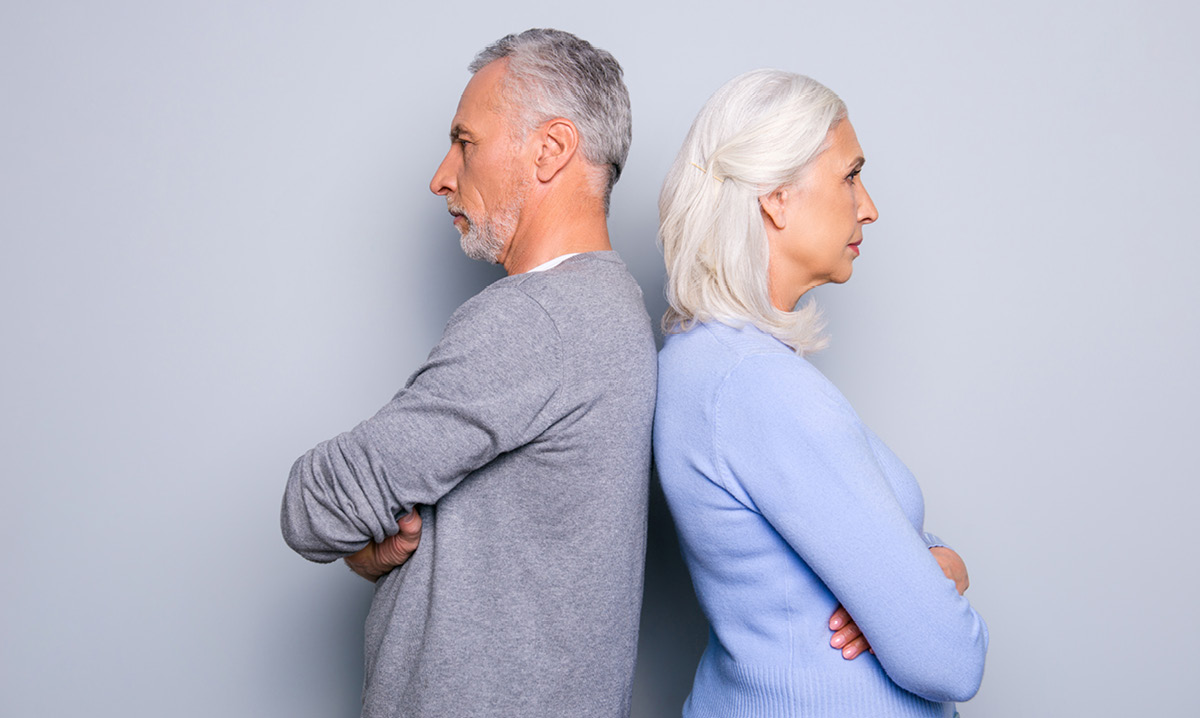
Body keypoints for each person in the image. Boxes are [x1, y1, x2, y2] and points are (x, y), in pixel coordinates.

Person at [280, 29, 656, 718]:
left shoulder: (533, 321)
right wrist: (375, 548)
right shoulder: (614, 306)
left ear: (550, 150)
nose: (441, 176)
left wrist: (355, 529)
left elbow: (312, 508)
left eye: (465, 141)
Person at [653, 69, 989, 717]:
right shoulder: (760, 387)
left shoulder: (700, 360)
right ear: (776, 197)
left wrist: (930, 567)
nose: (869, 206)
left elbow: (839, 558)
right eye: (850, 175)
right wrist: (928, 584)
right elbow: (948, 660)